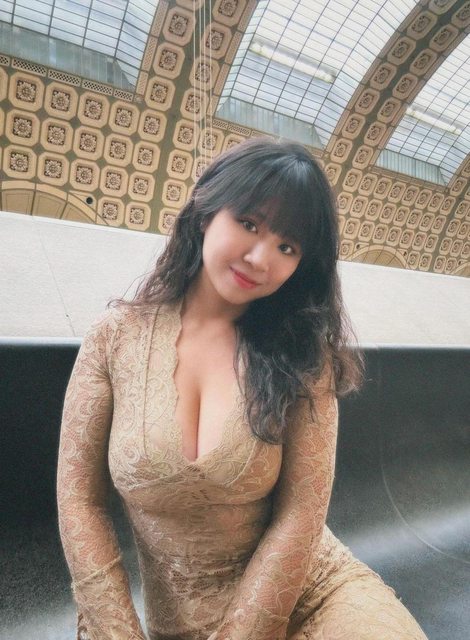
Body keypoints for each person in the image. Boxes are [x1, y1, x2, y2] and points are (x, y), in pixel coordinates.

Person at [57, 137, 427, 640]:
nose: (259, 258)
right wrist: (116, 631)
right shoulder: (114, 338)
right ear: (206, 210)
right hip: (180, 624)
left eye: (287, 246)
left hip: (315, 595)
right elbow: (80, 500)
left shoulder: (304, 356)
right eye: (249, 223)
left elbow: (301, 515)